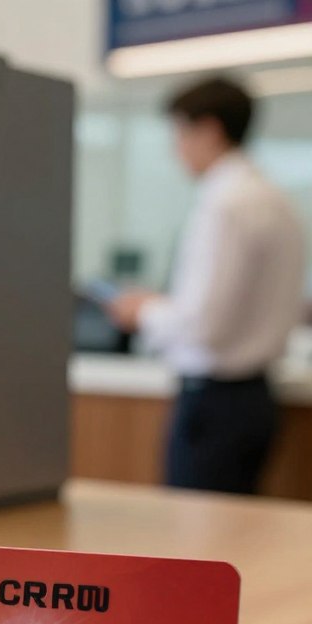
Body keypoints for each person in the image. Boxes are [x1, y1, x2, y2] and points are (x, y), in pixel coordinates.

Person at [108, 77, 305, 495]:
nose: (175, 149)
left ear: (210, 130)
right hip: (254, 398)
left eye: (180, 133)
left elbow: (203, 325)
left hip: (215, 402)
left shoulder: (225, 203)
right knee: (235, 527)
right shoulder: (273, 198)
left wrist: (142, 311)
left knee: (195, 529)